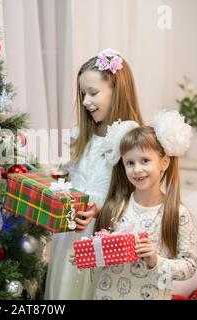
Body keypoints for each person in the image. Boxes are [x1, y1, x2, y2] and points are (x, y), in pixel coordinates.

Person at [45, 49, 143, 299]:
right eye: (83, 94)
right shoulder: (83, 135)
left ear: (117, 90)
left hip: (100, 233)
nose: (86, 101)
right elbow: (73, 178)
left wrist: (99, 208)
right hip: (70, 232)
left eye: (93, 93)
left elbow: (134, 194)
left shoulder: (127, 138)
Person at [73, 110, 197, 300]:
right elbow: (106, 251)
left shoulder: (178, 214)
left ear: (164, 162)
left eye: (145, 161)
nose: (137, 169)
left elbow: (189, 265)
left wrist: (157, 260)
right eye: (130, 163)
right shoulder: (116, 207)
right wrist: (87, 254)